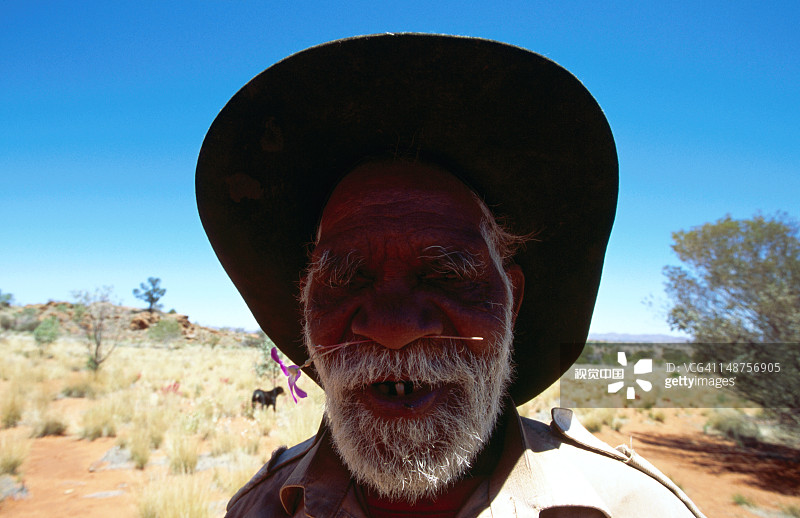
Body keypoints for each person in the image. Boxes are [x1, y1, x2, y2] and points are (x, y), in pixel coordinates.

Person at [196, 34, 706, 518]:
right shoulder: (259, 508)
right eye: (347, 280)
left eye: (447, 274)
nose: (393, 328)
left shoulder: (635, 508)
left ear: (513, 301)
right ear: (305, 310)